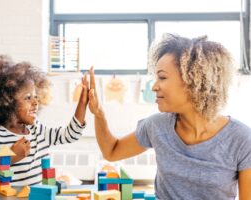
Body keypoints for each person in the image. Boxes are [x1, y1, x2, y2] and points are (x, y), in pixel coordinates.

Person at [88, 34, 251, 199]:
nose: (154, 87)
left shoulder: (241, 139)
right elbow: (112, 151)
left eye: (162, 77)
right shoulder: (156, 126)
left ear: (193, 81)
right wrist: (99, 114)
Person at [0, 54, 88, 186]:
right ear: (7, 103)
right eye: (28, 98)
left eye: (36, 96)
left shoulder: (37, 129)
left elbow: (70, 135)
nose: (36, 102)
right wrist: (10, 158)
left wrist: (82, 103)